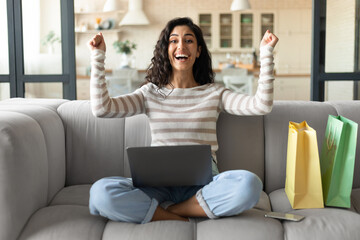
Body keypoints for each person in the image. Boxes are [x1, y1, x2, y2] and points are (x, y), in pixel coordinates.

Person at [88, 17, 278, 224]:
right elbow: (102, 109)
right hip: (156, 184)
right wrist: (98, 56)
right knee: (101, 192)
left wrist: (266, 54)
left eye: (189, 40)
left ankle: (169, 212)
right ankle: (185, 214)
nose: (181, 46)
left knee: (249, 184)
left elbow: (261, 105)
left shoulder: (214, 93)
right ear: (166, 49)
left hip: (204, 184)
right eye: (174, 40)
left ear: (198, 51)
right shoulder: (149, 93)